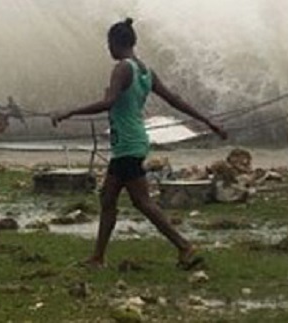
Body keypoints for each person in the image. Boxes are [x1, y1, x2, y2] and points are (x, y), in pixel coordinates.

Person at [52, 17, 228, 270]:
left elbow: (109, 101)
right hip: (133, 141)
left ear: (116, 42)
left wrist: (69, 112)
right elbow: (174, 100)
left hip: (127, 144)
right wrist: (208, 121)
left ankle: (184, 247)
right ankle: (98, 258)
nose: (107, 49)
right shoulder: (145, 71)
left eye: (108, 43)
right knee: (108, 198)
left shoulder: (122, 68)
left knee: (141, 201)